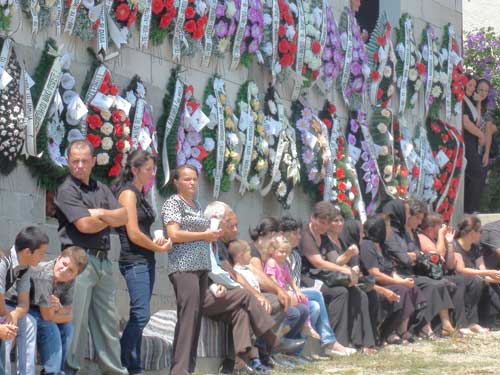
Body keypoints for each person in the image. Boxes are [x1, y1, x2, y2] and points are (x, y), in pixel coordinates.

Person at [54, 139, 129, 375]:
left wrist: (101, 213)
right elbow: (85, 225)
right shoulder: (66, 190)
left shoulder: (101, 188)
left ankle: (114, 371)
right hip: (78, 261)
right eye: (74, 161)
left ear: (93, 162)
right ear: (68, 162)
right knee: (75, 320)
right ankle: (69, 370)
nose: (79, 166)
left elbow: (124, 216)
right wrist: (108, 217)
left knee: (108, 322)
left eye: (84, 161)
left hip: (104, 261)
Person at [112, 149, 172, 375]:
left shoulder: (139, 193)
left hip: (146, 259)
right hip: (133, 260)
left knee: (139, 315)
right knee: (141, 314)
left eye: (153, 169)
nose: (152, 174)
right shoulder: (128, 194)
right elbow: (134, 233)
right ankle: (122, 362)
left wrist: (156, 243)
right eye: (148, 169)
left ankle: (134, 366)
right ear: (135, 170)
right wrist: (157, 246)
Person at [161, 164, 222, 375]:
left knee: (195, 316)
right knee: (188, 316)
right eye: (186, 179)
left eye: (194, 179)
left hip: (201, 266)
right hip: (183, 266)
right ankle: (179, 370)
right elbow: (174, 234)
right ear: (176, 182)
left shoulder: (196, 204)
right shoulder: (173, 203)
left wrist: (211, 235)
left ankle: (189, 367)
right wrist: (204, 235)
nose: (192, 183)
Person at [300, 202, 376, 353]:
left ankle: (357, 342)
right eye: (321, 222)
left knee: (355, 292)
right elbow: (318, 262)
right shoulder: (305, 235)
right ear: (312, 218)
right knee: (339, 292)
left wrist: (348, 256)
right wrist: (345, 271)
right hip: (306, 277)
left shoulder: (324, 237)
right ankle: (334, 342)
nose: (324, 226)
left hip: (322, 276)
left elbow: (334, 260)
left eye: (327, 223)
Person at [280, 217, 355, 357]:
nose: (299, 237)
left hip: (295, 293)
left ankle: (297, 352)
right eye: (295, 233)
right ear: (284, 234)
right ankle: (329, 341)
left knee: (314, 306)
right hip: (284, 294)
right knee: (316, 294)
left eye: (299, 233)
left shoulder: (295, 255)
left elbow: (294, 282)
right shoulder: (280, 256)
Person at [382, 199, 455, 338]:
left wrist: (416, 256)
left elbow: (415, 256)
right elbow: (405, 258)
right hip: (398, 274)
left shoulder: (412, 234)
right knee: (431, 284)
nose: (419, 222)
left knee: (440, 283)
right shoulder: (394, 232)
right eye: (417, 217)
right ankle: (422, 327)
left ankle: (441, 325)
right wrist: (417, 256)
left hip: (410, 271)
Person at [359, 215, 426, 344]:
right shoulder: (368, 245)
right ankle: (387, 332)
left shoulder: (382, 246)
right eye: (387, 227)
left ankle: (402, 330)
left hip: (388, 281)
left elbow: (391, 271)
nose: (389, 229)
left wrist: (402, 281)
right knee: (402, 290)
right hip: (375, 284)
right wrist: (400, 282)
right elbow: (375, 274)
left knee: (411, 288)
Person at [418, 213, 484, 335]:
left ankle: (468, 322)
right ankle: (459, 324)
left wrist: (449, 243)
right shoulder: (422, 237)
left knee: (469, 281)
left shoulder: (440, 240)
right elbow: (438, 256)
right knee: (458, 282)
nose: (445, 228)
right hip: (428, 276)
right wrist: (442, 237)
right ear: (431, 228)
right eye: (441, 226)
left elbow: (450, 265)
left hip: (441, 274)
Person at [27, 246, 88, 375]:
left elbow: (68, 310)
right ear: (59, 257)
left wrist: (59, 308)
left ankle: (58, 370)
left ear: (76, 275)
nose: (64, 270)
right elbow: (47, 317)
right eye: (64, 264)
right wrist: (61, 314)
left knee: (68, 328)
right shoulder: (45, 274)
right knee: (49, 326)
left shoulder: (70, 281)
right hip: (24, 307)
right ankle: (51, 372)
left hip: (43, 310)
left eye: (71, 270)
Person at [0, 226, 48, 375]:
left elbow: (24, 304)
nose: (43, 257)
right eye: (41, 253)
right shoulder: (3, 262)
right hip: (2, 309)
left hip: (5, 310)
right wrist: (7, 318)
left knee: (29, 322)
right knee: (6, 325)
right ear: (28, 252)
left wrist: (13, 315)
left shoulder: (24, 267)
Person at [263, 236, 318, 340]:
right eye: (281, 251)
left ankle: (306, 325)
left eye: (286, 252)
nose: (284, 254)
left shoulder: (283, 264)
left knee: (303, 299)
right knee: (295, 306)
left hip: (284, 290)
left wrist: (297, 290)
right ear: (272, 251)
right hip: (276, 291)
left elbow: (290, 279)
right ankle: (286, 326)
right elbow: (272, 280)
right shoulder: (272, 262)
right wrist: (284, 292)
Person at [452, 215, 500, 329]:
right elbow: (461, 270)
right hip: (460, 278)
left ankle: (489, 321)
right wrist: (488, 274)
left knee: (491, 284)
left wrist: (494, 276)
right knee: (478, 282)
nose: (481, 234)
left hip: (476, 278)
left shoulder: (476, 247)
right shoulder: (455, 245)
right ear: (471, 232)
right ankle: (472, 323)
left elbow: (481, 269)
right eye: (480, 231)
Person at [462, 74, 485, 213]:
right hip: (467, 141)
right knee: (477, 173)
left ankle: (469, 208)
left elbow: (477, 121)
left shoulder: (469, 101)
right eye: (469, 85)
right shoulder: (462, 100)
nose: (472, 88)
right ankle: (469, 210)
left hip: (472, 142)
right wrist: (481, 134)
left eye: (474, 87)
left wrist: (479, 101)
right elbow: (466, 123)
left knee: (472, 175)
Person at [475, 79, 497, 168]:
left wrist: (486, 153)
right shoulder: (470, 99)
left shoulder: (489, 105)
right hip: (474, 135)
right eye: (481, 90)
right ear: (476, 89)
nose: (483, 93)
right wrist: (478, 103)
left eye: (486, 91)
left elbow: (488, 128)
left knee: (491, 127)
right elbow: (477, 122)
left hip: (483, 140)